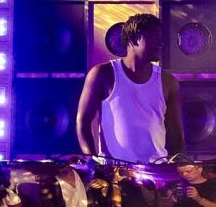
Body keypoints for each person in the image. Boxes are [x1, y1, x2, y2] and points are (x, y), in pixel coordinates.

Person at [76, 13, 184, 164]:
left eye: (162, 39)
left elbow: (176, 136)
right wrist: (92, 161)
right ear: (134, 39)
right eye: (155, 37)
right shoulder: (103, 74)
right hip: (114, 171)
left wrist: (176, 169)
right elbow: (83, 121)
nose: (161, 43)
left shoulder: (168, 81)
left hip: (156, 171)